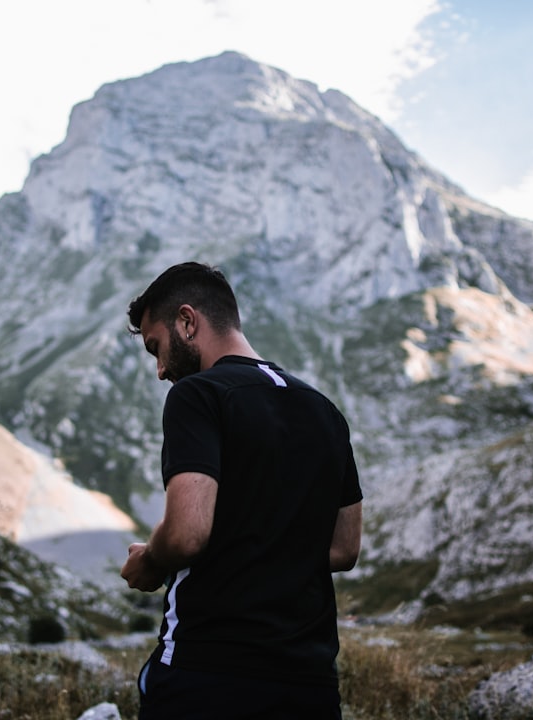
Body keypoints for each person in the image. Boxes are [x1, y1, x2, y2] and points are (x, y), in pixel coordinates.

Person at [121, 261, 363, 719]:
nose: (160, 369)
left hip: (207, 674)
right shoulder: (325, 411)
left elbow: (188, 534)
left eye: (157, 348)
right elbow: (344, 548)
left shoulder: (198, 395)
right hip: (308, 682)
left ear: (187, 321)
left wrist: (151, 559)